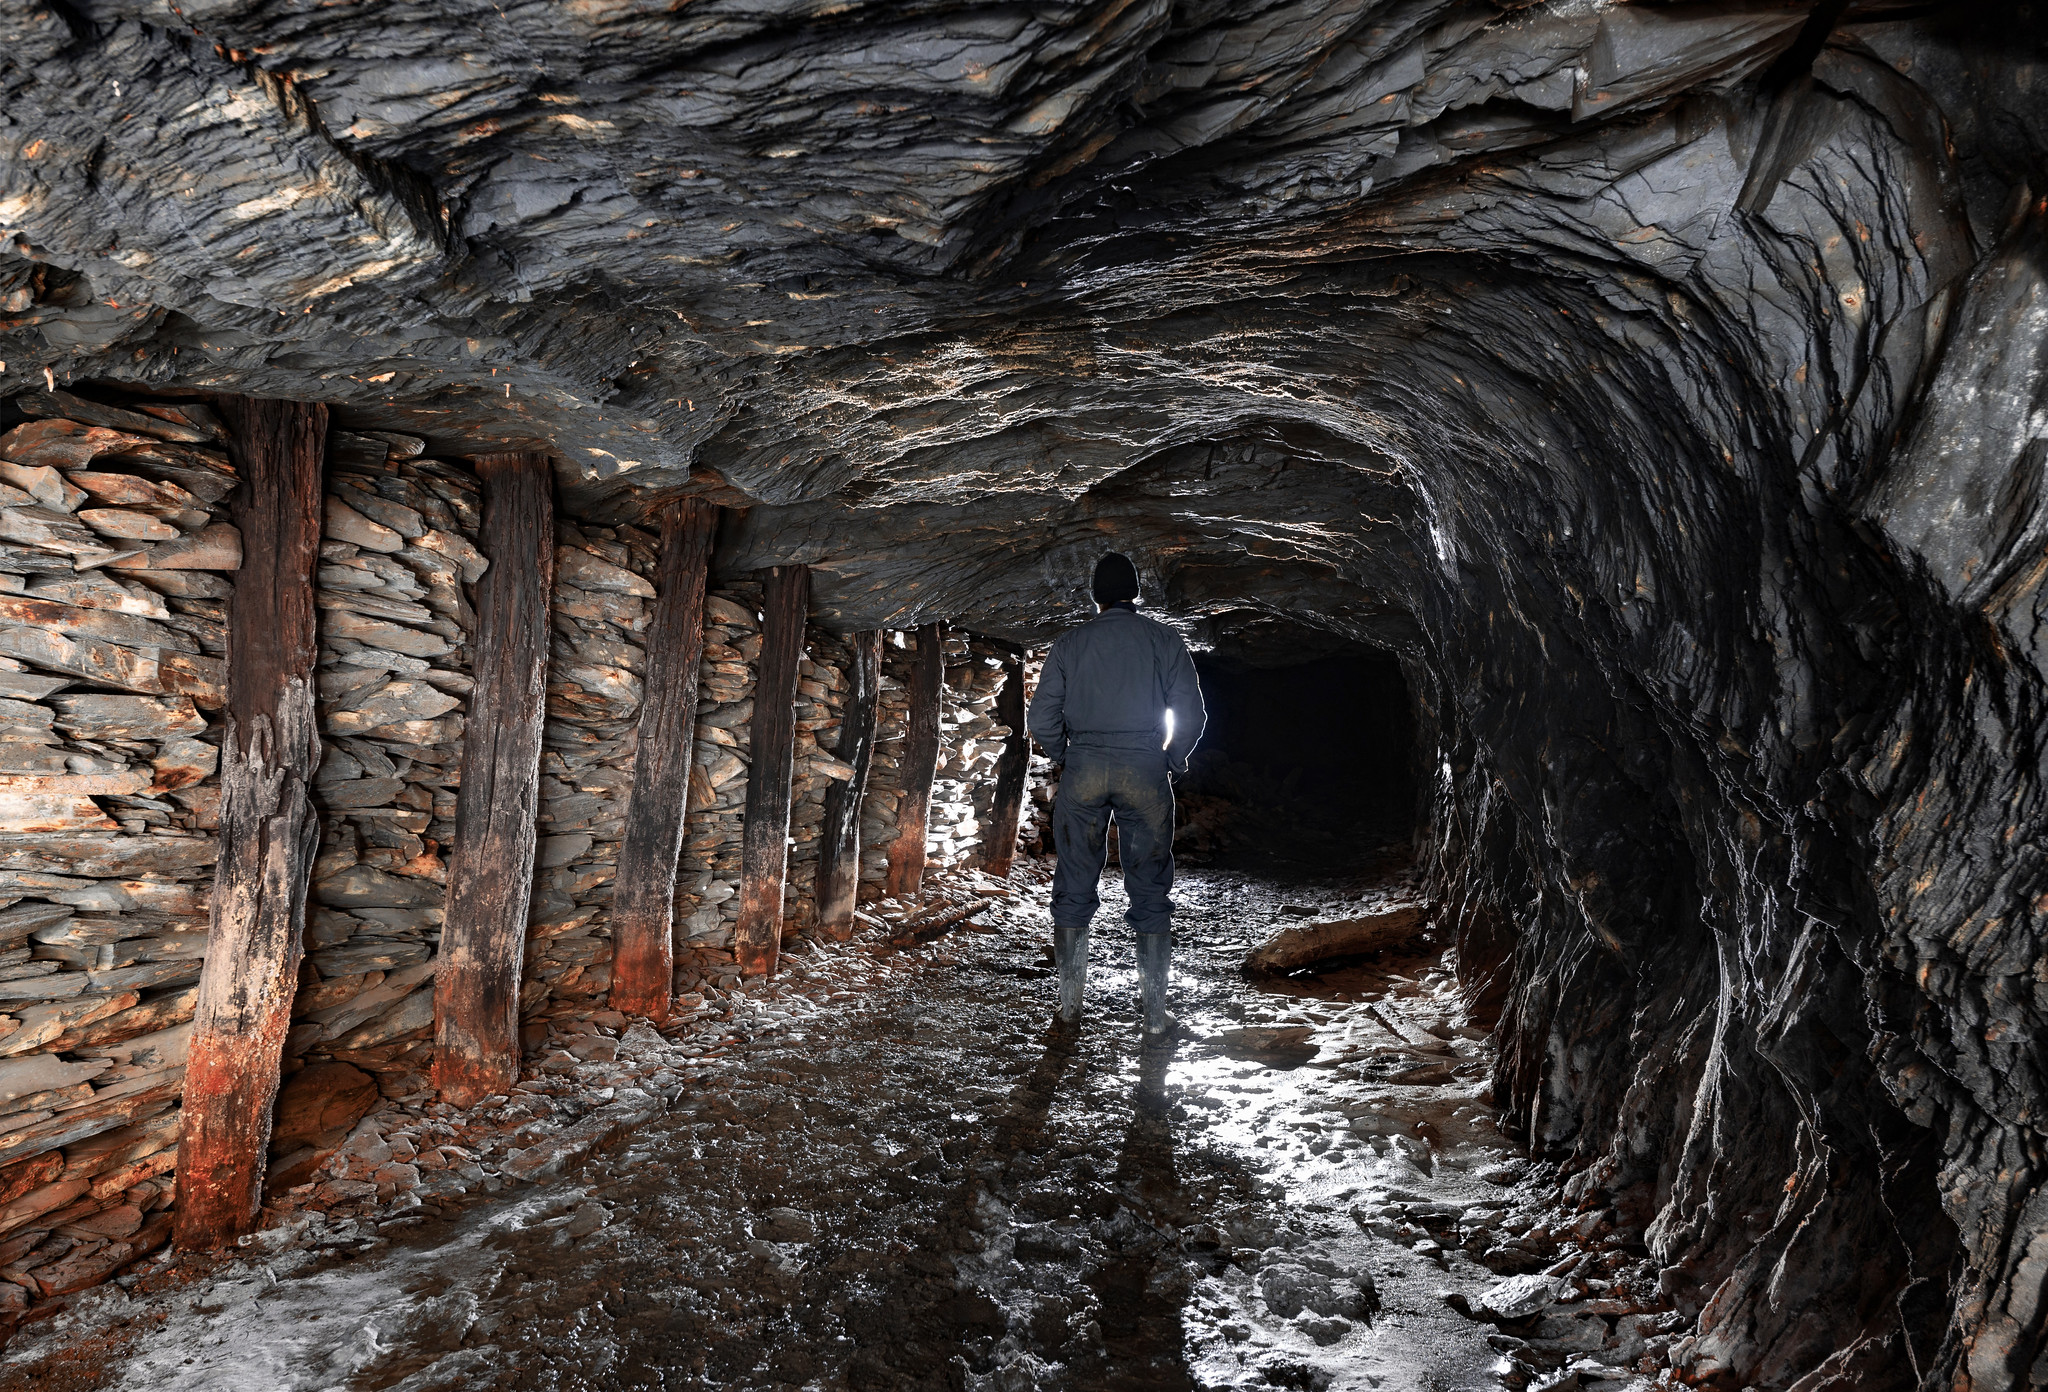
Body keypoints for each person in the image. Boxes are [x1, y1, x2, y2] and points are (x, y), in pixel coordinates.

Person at [1026, 551, 1205, 1038]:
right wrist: (1172, 758)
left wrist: (1069, 753)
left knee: (1074, 883)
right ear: (1135, 593)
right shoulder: (1163, 639)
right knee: (1150, 888)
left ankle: (1067, 1010)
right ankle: (1152, 1017)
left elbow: (1041, 718)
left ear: (1095, 596)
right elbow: (1190, 712)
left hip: (1085, 767)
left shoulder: (1070, 644)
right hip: (1145, 767)